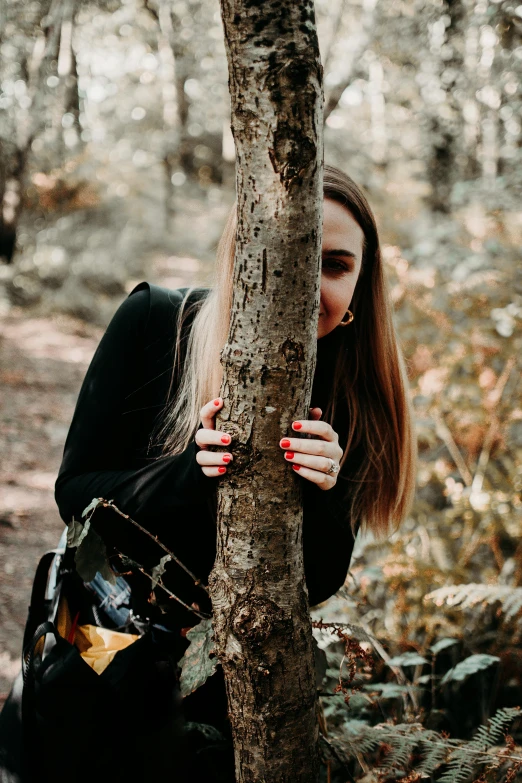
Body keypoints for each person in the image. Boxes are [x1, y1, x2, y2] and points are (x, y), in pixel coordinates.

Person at [53, 164, 416, 780]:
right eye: (287, 257)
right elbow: (75, 493)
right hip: (95, 649)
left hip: (232, 701)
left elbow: (320, 579)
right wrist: (188, 476)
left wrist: (321, 494)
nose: (307, 286)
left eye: (335, 265)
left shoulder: (353, 392)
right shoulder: (152, 323)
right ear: (240, 256)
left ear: (362, 280)